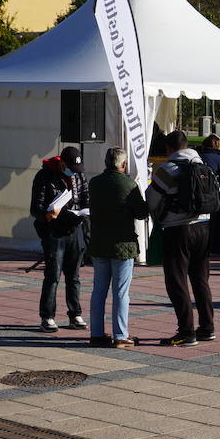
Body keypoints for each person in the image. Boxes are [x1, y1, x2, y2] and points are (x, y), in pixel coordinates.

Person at [147, 130, 216, 346]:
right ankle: (207, 327)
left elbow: (151, 199)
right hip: (204, 227)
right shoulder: (204, 167)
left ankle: (186, 332)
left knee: (177, 281)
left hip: (178, 230)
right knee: (200, 280)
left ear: (169, 149)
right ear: (187, 145)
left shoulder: (168, 169)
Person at [86, 147, 149, 348]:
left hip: (99, 242)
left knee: (99, 290)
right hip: (123, 244)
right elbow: (141, 213)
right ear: (123, 165)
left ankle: (96, 333)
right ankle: (120, 335)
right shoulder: (129, 184)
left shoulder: (94, 183)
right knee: (121, 292)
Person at [29, 146, 89, 333]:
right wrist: (46, 215)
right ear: (62, 163)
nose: (74, 172)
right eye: (70, 167)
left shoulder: (79, 176)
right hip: (54, 232)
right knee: (53, 276)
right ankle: (47, 317)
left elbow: (86, 199)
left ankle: (75, 313)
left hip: (75, 229)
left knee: (74, 277)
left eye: (77, 169)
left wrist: (85, 211)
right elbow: (35, 208)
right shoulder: (44, 176)